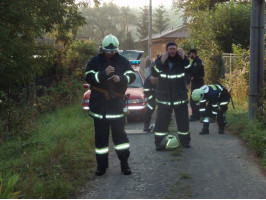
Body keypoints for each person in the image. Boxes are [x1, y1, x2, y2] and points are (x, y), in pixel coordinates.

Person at [85, 34, 136, 176]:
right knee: (100, 140)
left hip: (116, 106)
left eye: (113, 51)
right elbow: (88, 76)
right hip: (100, 107)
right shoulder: (95, 61)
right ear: (103, 49)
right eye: (108, 51)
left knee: (120, 139)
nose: (111, 53)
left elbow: (131, 76)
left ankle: (124, 164)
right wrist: (103, 73)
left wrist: (121, 78)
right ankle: (101, 166)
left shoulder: (123, 61)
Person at [151, 42, 193, 150]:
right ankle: (159, 143)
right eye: (170, 49)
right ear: (166, 50)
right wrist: (161, 61)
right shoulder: (161, 60)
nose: (172, 51)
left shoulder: (181, 60)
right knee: (161, 123)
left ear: (177, 49)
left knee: (183, 122)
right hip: (164, 98)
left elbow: (191, 70)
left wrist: (184, 58)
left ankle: (185, 142)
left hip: (180, 98)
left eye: (174, 48)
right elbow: (154, 72)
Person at [187, 49, 205, 121]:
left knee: (193, 99)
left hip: (197, 82)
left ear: (193, 53)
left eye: (190, 54)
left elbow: (197, 70)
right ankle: (198, 115)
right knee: (198, 99)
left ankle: (195, 116)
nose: (189, 56)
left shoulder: (197, 61)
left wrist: (193, 77)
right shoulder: (196, 61)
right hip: (198, 82)